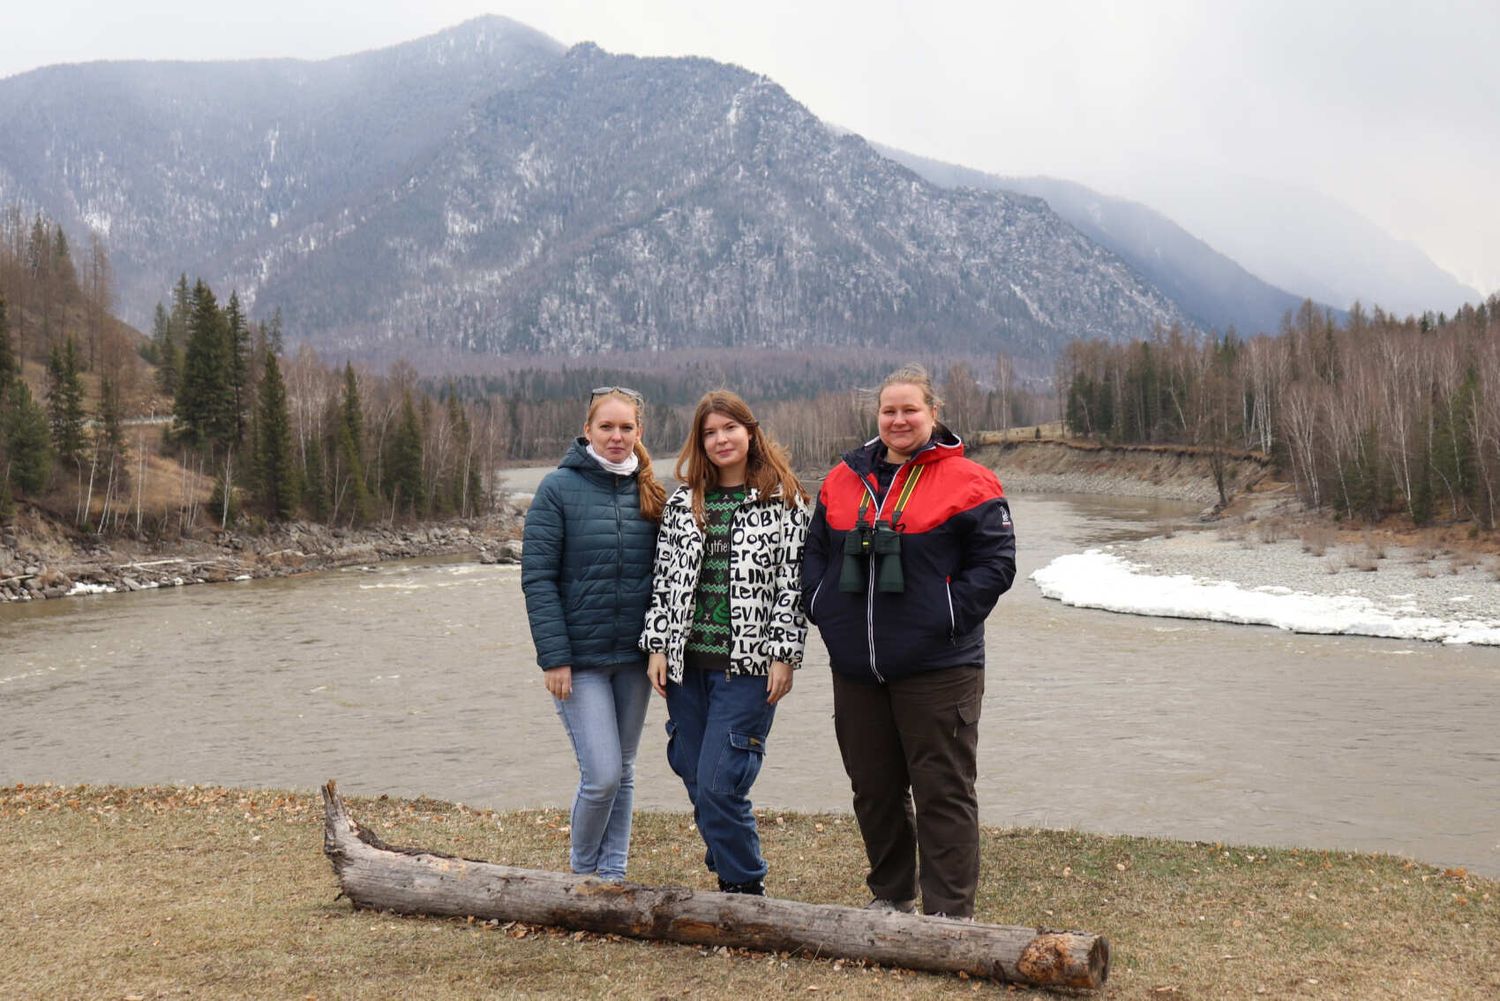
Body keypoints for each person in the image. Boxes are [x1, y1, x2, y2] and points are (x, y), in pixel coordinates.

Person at [801, 363, 1015, 918]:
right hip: (857, 668)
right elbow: (813, 554)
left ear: (933, 414)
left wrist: (945, 614)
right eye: (889, 411)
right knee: (874, 790)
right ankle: (891, 895)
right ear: (877, 416)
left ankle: (947, 913)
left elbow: (996, 565)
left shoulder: (971, 480)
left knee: (942, 790)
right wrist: (821, 605)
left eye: (909, 410)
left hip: (940, 667)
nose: (899, 420)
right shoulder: (842, 479)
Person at [641, 390, 809, 896]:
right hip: (686, 664)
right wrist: (657, 646)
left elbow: (793, 585)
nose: (720, 440)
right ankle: (729, 860)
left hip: (749, 667)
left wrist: (784, 654)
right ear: (700, 442)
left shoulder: (784, 499)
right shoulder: (683, 502)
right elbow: (665, 580)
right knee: (693, 773)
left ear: (750, 432)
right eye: (710, 433)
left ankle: (744, 885)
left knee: (720, 781)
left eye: (729, 429)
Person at [521, 386, 666, 883]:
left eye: (626, 428)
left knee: (623, 772)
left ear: (639, 432)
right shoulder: (557, 489)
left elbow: (668, 576)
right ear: (587, 431)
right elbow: (537, 578)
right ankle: (582, 876)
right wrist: (554, 657)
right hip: (579, 662)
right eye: (606, 427)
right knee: (602, 774)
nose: (617, 436)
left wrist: (661, 648)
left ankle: (614, 876)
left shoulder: (651, 490)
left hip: (633, 660)